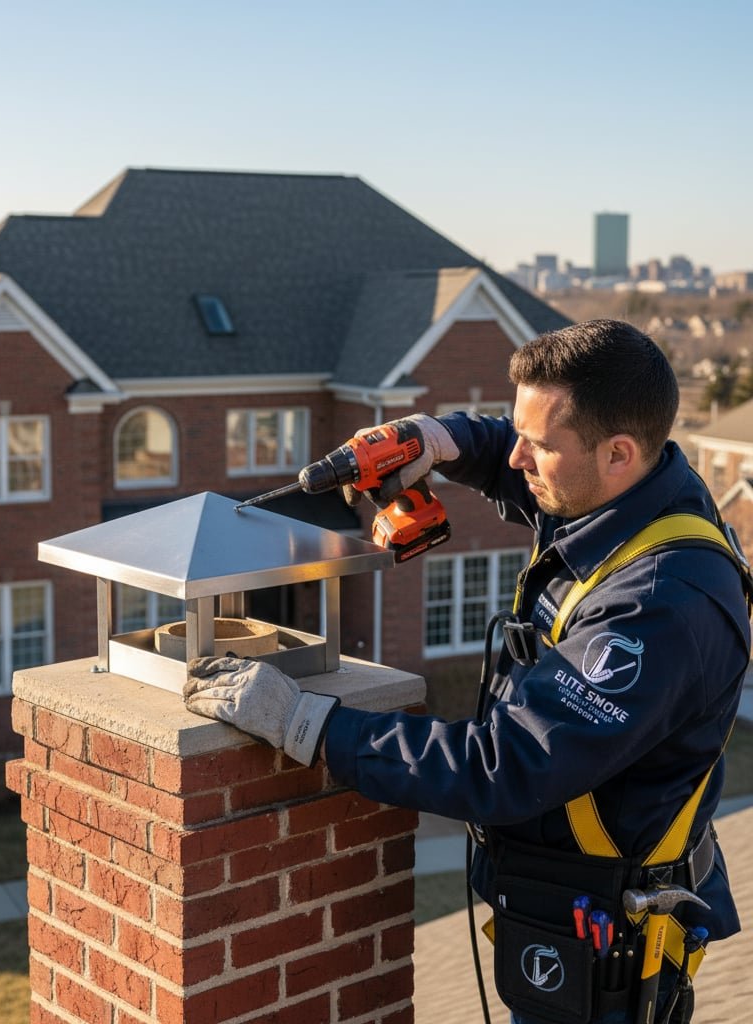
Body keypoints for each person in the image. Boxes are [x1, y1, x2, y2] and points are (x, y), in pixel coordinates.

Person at [184, 320, 751, 1024]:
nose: (515, 459)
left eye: (537, 446)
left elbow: (502, 767)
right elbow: (513, 454)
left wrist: (303, 722)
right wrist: (444, 439)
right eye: (516, 433)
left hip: (604, 958)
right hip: (559, 913)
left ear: (618, 454)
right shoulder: (635, 494)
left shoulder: (661, 607)